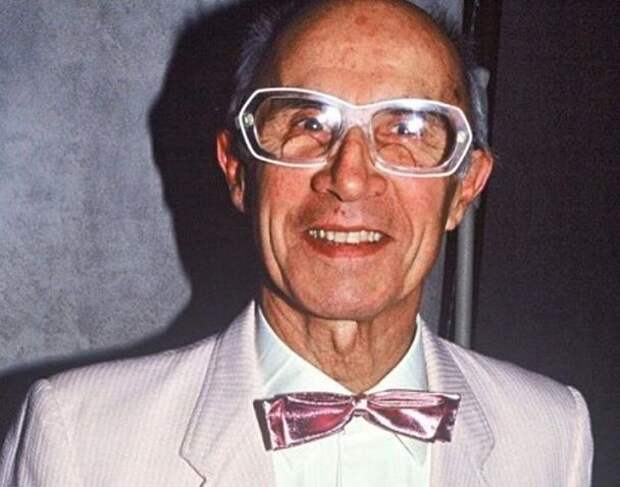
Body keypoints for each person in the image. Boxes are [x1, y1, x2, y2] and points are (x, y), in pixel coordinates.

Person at [0, 0, 593, 485]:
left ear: (465, 187)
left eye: (406, 128)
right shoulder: (81, 436)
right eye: (308, 124)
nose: (350, 176)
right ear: (238, 170)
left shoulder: (551, 433)